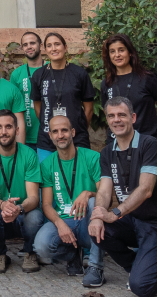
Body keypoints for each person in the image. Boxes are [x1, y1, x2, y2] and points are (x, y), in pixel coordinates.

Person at [88, 97, 157, 297]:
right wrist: (97, 215)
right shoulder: (107, 152)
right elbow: (104, 191)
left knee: (141, 287)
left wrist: (115, 212)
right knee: (97, 230)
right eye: (111, 116)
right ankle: (136, 266)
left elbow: (146, 189)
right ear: (107, 120)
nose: (117, 120)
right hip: (131, 220)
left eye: (121, 115)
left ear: (133, 118)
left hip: (155, 224)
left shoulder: (149, 144)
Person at [33, 115, 104, 281]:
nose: (60, 135)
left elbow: (105, 193)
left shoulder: (92, 157)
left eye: (64, 130)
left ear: (72, 132)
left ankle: (95, 267)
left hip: (88, 221)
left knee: (94, 202)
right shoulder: (47, 165)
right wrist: (60, 224)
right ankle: (73, 254)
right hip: (65, 220)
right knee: (41, 246)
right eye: (55, 131)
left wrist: (88, 193)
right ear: (50, 135)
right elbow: (47, 205)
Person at [0, 113, 43, 274]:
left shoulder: (29, 154)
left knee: (35, 216)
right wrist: (3, 205)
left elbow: (34, 197)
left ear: (17, 130)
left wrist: (18, 208)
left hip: (22, 212)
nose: (4, 132)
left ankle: (30, 252)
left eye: (8, 127)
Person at [30, 32, 96, 162]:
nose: (53, 48)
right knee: (48, 173)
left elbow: (89, 108)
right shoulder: (39, 75)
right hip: (47, 139)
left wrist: (79, 128)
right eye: (49, 45)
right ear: (45, 50)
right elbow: (38, 107)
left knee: (79, 173)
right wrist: (48, 123)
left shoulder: (79, 73)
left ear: (65, 47)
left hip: (77, 138)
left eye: (57, 44)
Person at [99, 34, 157, 139]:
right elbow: (107, 112)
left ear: (130, 52)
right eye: (112, 51)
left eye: (121, 50)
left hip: (145, 142)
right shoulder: (106, 83)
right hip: (116, 142)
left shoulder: (147, 79)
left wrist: (156, 137)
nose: (117, 55)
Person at [10, 31, 46, 148]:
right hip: (25, 137)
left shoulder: (51, 69)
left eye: (32, 43)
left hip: (50, 136)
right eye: (25, 45)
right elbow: (13, 106)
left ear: (41, 45)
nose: (29, 47)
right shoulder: (17, 74)